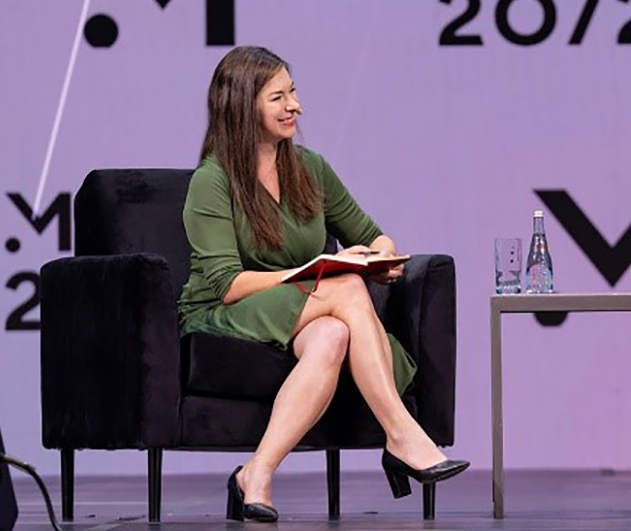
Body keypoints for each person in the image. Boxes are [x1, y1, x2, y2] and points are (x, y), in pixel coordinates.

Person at [177, 46, 468, 523]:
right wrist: (322, 270)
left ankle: (256, 474)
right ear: (243, 105)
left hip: (303, 309)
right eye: (279, 96)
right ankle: (401, 435)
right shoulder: (212, 181)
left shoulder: (310, 168)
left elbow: (371, 232)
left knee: (334, 333)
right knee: (347, 289)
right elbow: (228, 284)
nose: (296, 105)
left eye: (293, 91)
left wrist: (379, 256)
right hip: (224, 312)